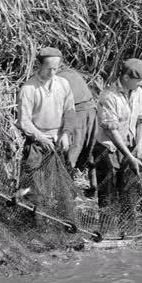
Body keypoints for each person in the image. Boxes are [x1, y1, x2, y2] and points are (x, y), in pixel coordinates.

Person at [17, 48, 76, 197]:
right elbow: (24, 121)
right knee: (33, 188)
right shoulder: (29, 89)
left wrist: (66, 133)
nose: (52, 73)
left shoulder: (63, 84)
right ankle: (32, 215)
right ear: (40, 65)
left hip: (58, 141)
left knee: (59, 186)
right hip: (36, 144)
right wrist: (40, 137)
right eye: (49, 69)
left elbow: (69, 111)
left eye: (55, 69)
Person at [93, 58, 142, 211]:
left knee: (129, 195)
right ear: (126, 78)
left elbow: (141, 121)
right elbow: (111, 131)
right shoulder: (109, 96)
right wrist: (130, 158)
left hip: (130, 147)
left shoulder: (139, 92)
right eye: (139, 80)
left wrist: (140, 145)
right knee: (107, 196)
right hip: (107, 150)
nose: (141, 84)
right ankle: (106, 232)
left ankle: (127, 231)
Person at [57, 65, 98, 195]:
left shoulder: (60, 78)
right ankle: (94, 188)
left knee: (72, 153)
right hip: (91, 112)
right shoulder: (71, 73)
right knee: (92, 152)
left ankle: (66, 191)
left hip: (79, 115)